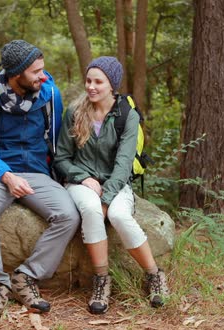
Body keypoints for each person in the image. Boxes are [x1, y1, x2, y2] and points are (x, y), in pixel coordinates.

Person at [0, 40, 81, 327]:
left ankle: (26, 276)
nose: (42, 76)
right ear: (16, 74)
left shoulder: (50, 95)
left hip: (36, 173)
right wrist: (5, 175)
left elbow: (58, 141)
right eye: (35, 72)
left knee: (68, 215)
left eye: (42, 70)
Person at [54, 56, 169, 315]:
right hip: (80, 181)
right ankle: (101, 281)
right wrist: (82, 178)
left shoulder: (127, 115)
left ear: (112, 85)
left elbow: (124, 162)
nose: (91, 86)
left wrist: (107, 196)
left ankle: (154, 275)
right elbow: (62, 158)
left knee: (117, 214)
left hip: (115, 183)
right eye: (88, 80)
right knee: (91, 211)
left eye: (98, 81)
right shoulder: (74, 112)